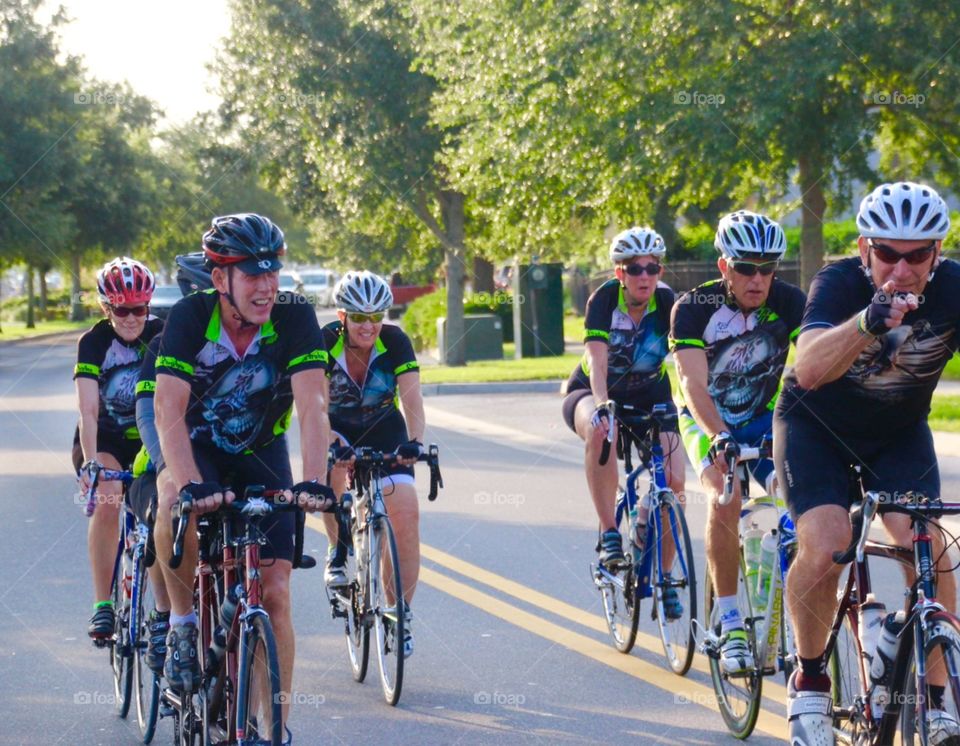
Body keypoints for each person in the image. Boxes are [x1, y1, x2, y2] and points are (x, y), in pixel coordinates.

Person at [774, 182, 959, 745]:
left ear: (938, 252)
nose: (900, 269)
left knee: (928, 543)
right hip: (816, 430)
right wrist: (866, 322)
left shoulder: (954, 287)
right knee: (828, 544)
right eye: (887, 254)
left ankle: (933, 698)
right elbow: (807, 368)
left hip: (897, 433)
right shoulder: (839, 283)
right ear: (863, 249)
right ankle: (809, 680)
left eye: (917, 255)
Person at [152, 214, 335, 744]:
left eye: (273, 271)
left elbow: (313, 405)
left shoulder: (296, 314)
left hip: (260, 450)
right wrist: (189, 483)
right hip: (199, 447)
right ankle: (184, 625)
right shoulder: (189, 316)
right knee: (170, 500)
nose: (267, 286)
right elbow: (167, 409)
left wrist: (316, 481)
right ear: (220, 280)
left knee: (275, 590)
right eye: (252, 275)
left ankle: (274, 727)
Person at [670, 210, 805, 675]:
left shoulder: (790, 302)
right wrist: (718, 436)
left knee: (801, 498)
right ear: (724, 265)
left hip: (765, 419)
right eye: (746, 267)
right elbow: (692, 383)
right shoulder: (693, 307)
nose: (758, 278)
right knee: (724, 493)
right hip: (706, 417)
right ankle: (730, 622)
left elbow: (814, 367)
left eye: (767, 268)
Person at [560, 227, 686, 603]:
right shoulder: (602, 301)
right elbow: (597, 364)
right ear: (620, 273)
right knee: (602, 430)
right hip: (592, 390)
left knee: (675, 485)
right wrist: (601, 405)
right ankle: (611, 533)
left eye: (652, 268)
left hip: (651, 394)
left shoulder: (668, 303)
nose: (644, 275)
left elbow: (685, 359)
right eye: (634, 269)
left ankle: (664, 580)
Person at [320, 270, 426, 658]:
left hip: (384, 428)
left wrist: (415, 443)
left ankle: (400, 613)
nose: (369, 325)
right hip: (337, 427)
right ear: (343, 316)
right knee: (332, 478)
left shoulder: (395, 341)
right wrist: (332, 439)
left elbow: (411, 398)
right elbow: (315, 404)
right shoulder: (324, 343)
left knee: (406, 513)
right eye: (360, 317)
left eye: (376, 316)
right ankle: (338, 551)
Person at [126, 253, 214, 673]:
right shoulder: (165, 342)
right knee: (170, 496)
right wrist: (167, 466)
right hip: (162, 461)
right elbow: (148, 413)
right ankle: (168, 621)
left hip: (218, 464)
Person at [74, 256, 161, 639]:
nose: (131, 318)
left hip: (151, 436)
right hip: (104, 438)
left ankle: (164, 614)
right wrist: (92, 463)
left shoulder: (163, 334)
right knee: (109, 497)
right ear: (106, 308)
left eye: (139, 309)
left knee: (160, 507)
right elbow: (88, 410)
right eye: (122, 310)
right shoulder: (94, 342)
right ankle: (102, 605)